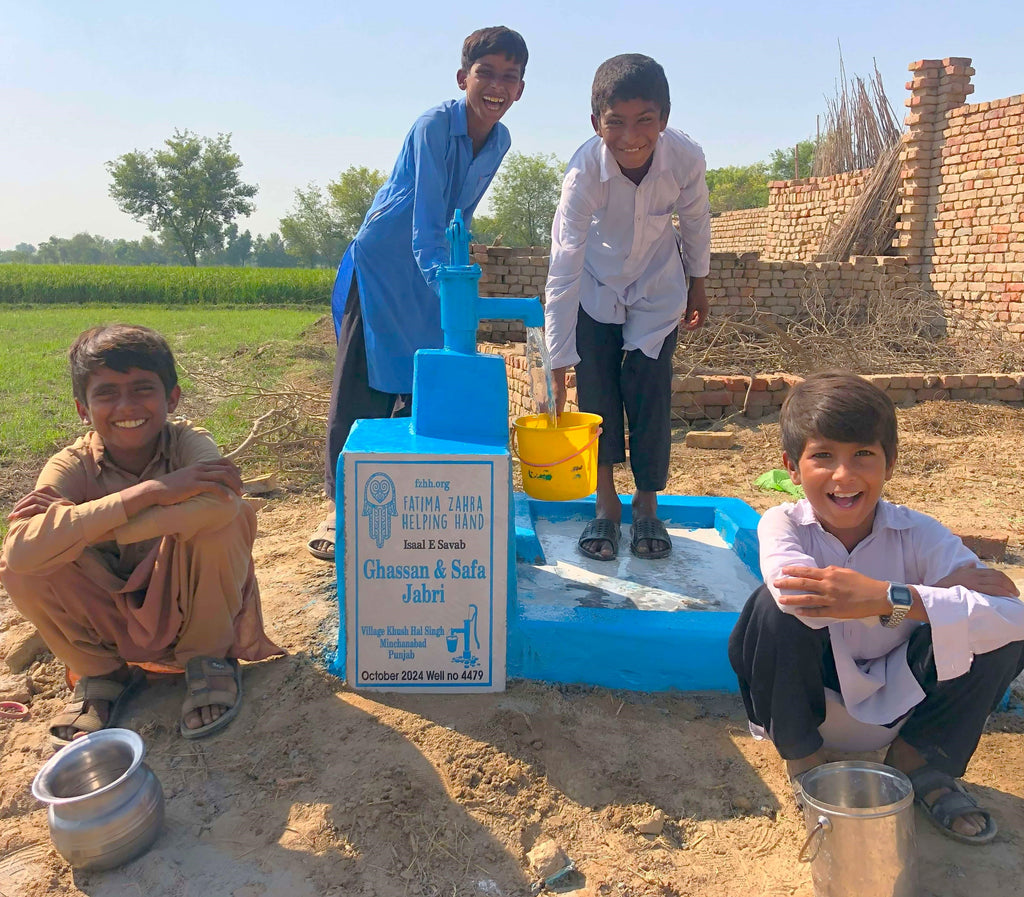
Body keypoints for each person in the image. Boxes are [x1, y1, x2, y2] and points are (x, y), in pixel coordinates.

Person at [728, 372, 1024, 844]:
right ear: (791, 466)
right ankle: (804, 764)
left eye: (863, 454)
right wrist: (931, 596)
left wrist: (888, 597)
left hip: (906, 700)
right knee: (768, 610)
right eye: (823, 456)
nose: (844, 476)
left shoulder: (919, 533)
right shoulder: (783, 524)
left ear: (890, 464)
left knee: (999, 638)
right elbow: (794, 600)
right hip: (815, 704)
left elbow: (1012, 615)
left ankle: (918, 764)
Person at [0, 325, 283, 749]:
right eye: (107, 393)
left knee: (226, 522)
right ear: (83, 408)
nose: (126, 406)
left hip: (188, 604)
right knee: (23, 567)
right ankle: (103, 675)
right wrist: (153, 493)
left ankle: (208, 661)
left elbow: (224, 504)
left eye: (142, 389)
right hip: (109, 609)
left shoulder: (189, 443)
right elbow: (21, 552)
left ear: (172, 398)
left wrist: (92, 524)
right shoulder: (70, 466)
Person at [308, 25, 529, 561]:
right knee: (363, 383)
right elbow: (425, 213)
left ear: (521, 89)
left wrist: (458, 266)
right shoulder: (433, 126)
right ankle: (341, 511)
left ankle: (406, 499)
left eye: (510, 77)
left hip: (433, 263)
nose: (496, 86)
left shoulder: (499, 140)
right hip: (387, 261)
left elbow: (460, 213)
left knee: (423, 378)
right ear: (463, 77)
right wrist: (446, 282)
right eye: (486, 73)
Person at [544, 53, 711, 561]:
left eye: (645, 121)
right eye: (615, 122)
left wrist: (699, 284)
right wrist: (558, 356)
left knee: (649, 388)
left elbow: (696, 218)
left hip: (658, 286)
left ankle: (646, 504)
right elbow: (564, 265)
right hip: (595, 287)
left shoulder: (683, 157)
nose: (631, 136)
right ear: (596, 122)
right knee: (597, 394)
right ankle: (606, 504)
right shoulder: (583, 177)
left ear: (664, 118)